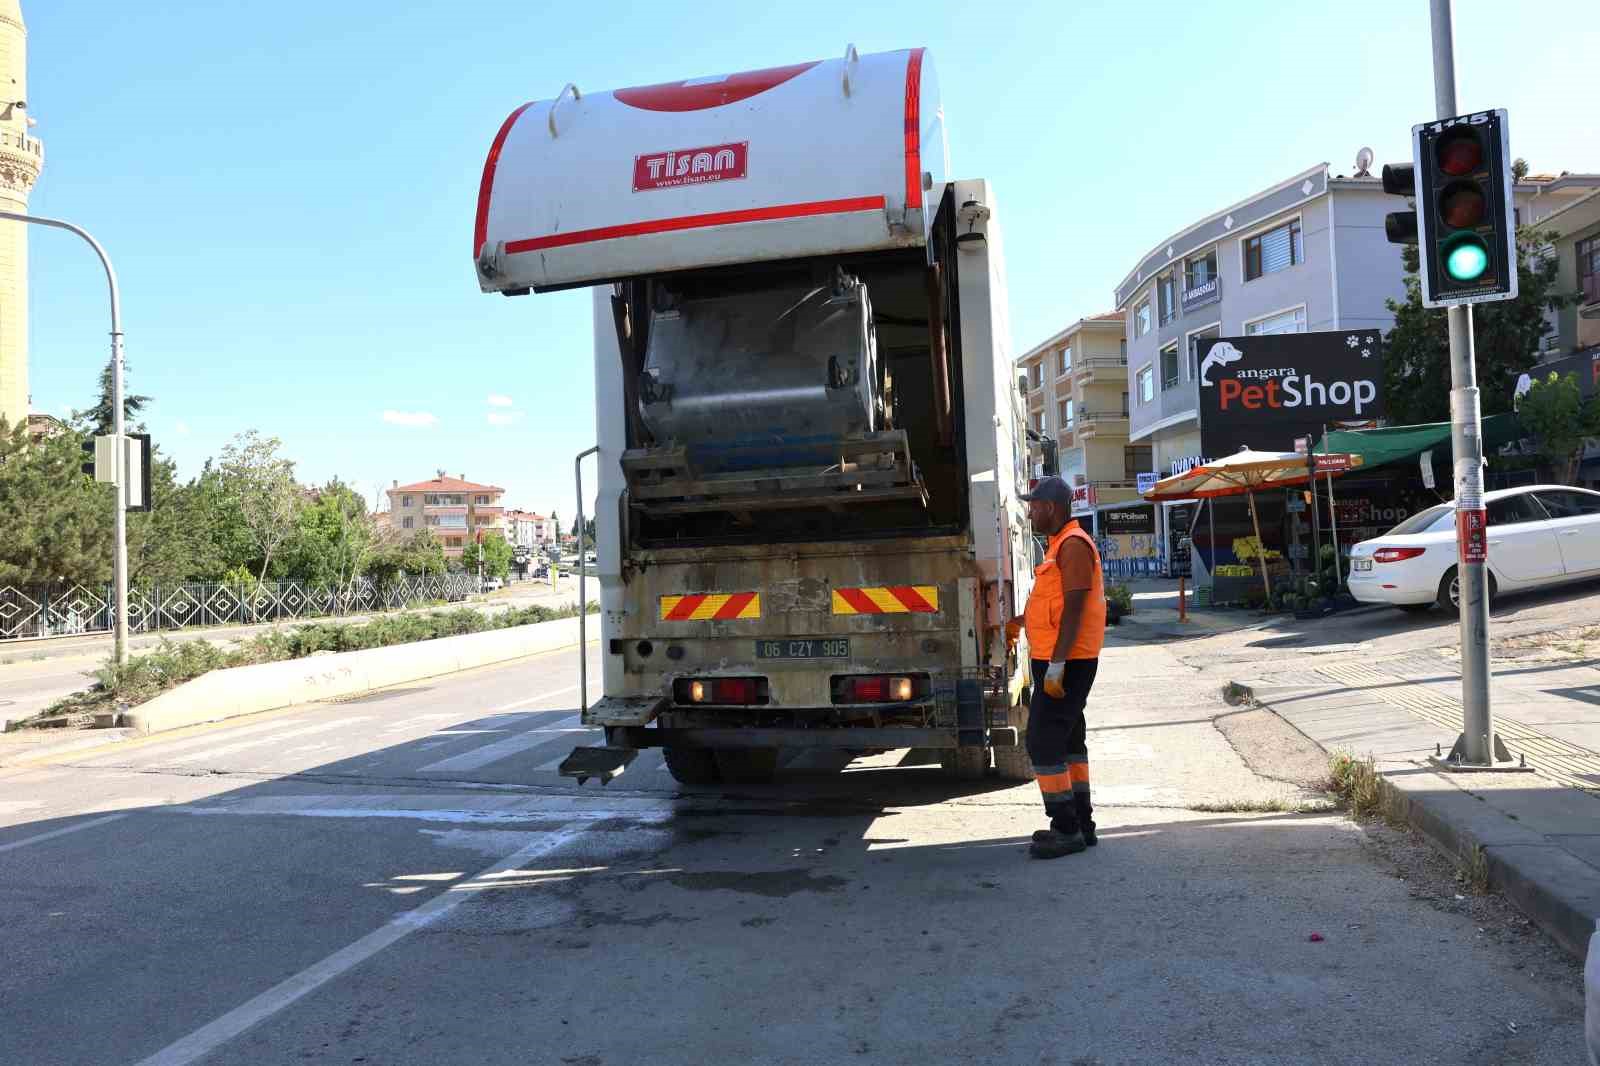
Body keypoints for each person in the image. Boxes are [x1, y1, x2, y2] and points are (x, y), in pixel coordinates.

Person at [1007, 475, 1106, 860]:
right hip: (1063, 659)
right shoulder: (1058, 546)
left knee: (1042, 741)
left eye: (1033, 506)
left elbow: (1077, 603)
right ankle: (1082, 824)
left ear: (1050, 507)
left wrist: (1057, 664)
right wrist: (1022, 620)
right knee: (1067, 741)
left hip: (1068, 662)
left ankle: (1066, 828)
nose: (1030, 512)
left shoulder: (1073, 545)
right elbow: (1056, 606)